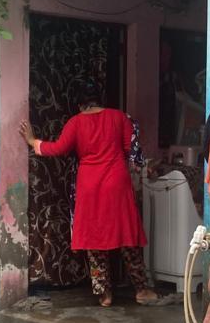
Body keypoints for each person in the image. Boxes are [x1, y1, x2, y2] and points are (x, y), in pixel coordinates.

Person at [19, 80, 158, 308]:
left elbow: (58, 149)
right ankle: (142, 290)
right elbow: (130, 150)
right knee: (128, 236)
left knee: (95, 240)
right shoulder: (119, 117)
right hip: (117, 183)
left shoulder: (76, 122)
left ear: (80, 103)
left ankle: (104, 295)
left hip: (89, 185)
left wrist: (33, 141)